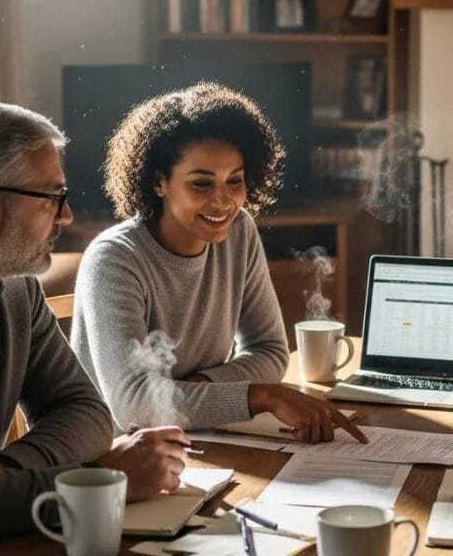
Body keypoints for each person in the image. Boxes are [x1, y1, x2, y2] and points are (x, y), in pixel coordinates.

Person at [0, 102, 193, 548]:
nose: (66, 216)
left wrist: (5, 471)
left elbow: (87, 413)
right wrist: (101, 484)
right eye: (52, 198)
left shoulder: (14, 285)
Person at [71, 82, 366, 445]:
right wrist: (263, 395)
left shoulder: (239, 231)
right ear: (158, 182)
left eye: (235, 181)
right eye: (201, 184)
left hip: (206, 437)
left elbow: (271, 353)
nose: (224, 202)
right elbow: (133, 406)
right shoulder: (115, 259)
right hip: (121, 457)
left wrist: (195, 389)